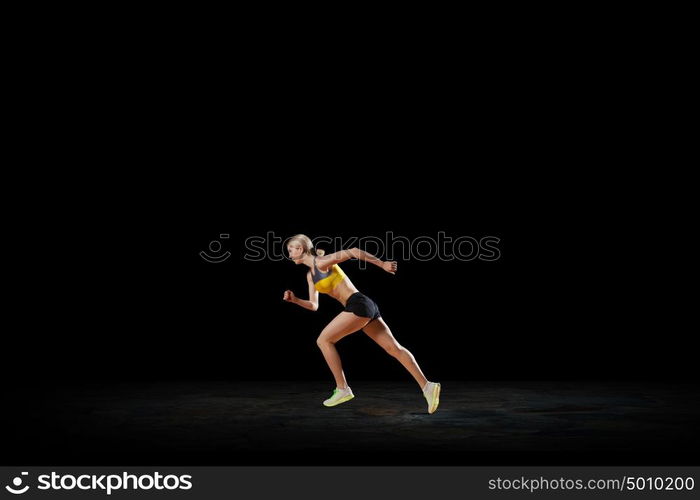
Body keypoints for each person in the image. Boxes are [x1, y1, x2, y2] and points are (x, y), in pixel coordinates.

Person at [283, 234, 440, 414]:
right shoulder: (310, 276)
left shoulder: (322, 261)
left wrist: (382, 264)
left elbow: (353, 252)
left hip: (358, 304)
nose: (289, 254)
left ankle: (342, 389)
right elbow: (314, 305)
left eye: (290, 250)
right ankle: (428, 386)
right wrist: (295, 300)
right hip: (363, 305)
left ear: (300, 249)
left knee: (323, 340)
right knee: (393, 348)